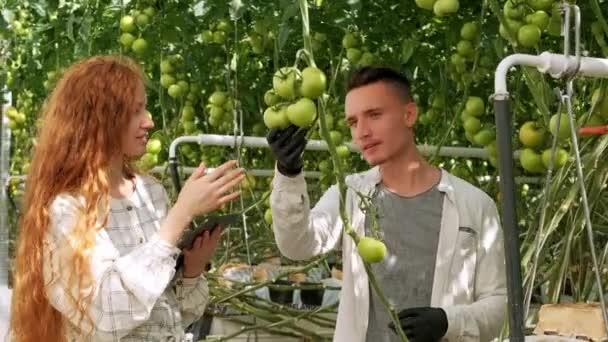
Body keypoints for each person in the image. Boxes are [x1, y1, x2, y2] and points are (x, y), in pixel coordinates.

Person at [9, 55, 245, 342]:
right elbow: (104, 318)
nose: (149, 121)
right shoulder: (69, 210)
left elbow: (171, 315)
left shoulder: (151, 193)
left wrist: (193, 269)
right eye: (135, 111)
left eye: (145, 108)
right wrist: (179, 217)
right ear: (99, 121)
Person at [266, 66, 507, 342]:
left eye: (374, 115)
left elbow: (498, 303)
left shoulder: (474, 205)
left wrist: (448, 322)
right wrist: (288, 173)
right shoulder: (350, 195)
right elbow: (297, 245)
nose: (362, 132)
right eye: (353, 123)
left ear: (409, 114)